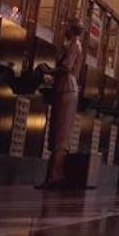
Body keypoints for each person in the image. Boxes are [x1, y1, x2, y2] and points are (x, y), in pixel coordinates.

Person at [42, 20, 85, 189]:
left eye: (66, 26)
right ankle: (53, 175)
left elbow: (66, 68)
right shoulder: (72, 45)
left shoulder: (75, 45)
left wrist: (48, 70)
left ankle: (55, 176)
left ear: (72, 29)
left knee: (61, 134)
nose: (63, 29)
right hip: (64, 89)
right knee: (58, 133)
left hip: (67, 89)